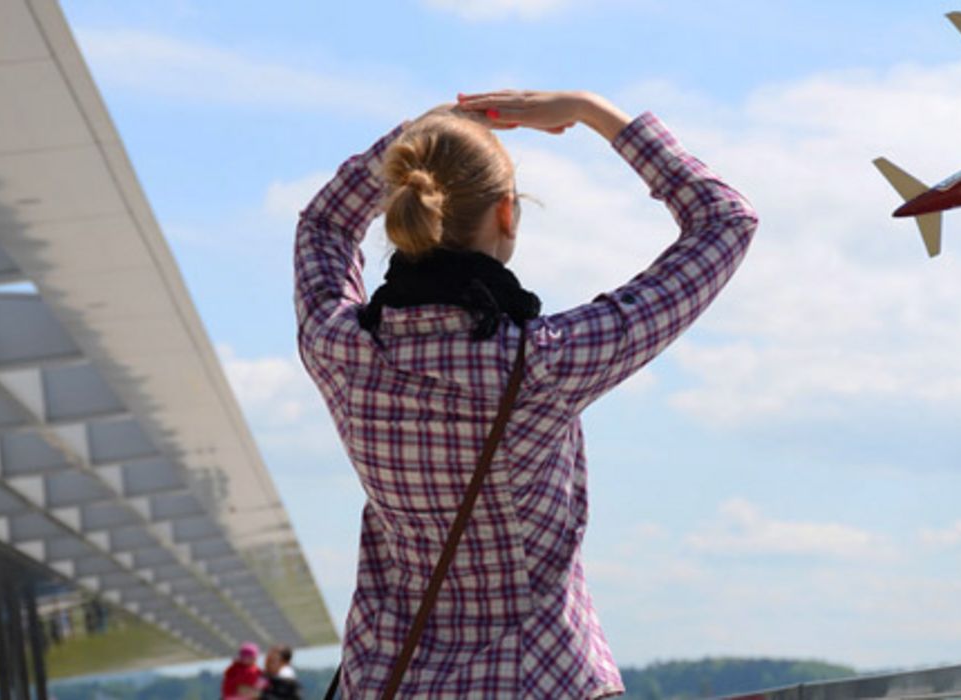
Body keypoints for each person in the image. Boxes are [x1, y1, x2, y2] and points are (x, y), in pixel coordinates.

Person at [294, 90, 757, 698]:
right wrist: (595, 113)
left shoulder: (344, 352)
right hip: (539, 679)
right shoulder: (544, 362)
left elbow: (324, 224)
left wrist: (426, 130)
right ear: (507, 213)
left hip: (391, 680)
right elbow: (726, 220)